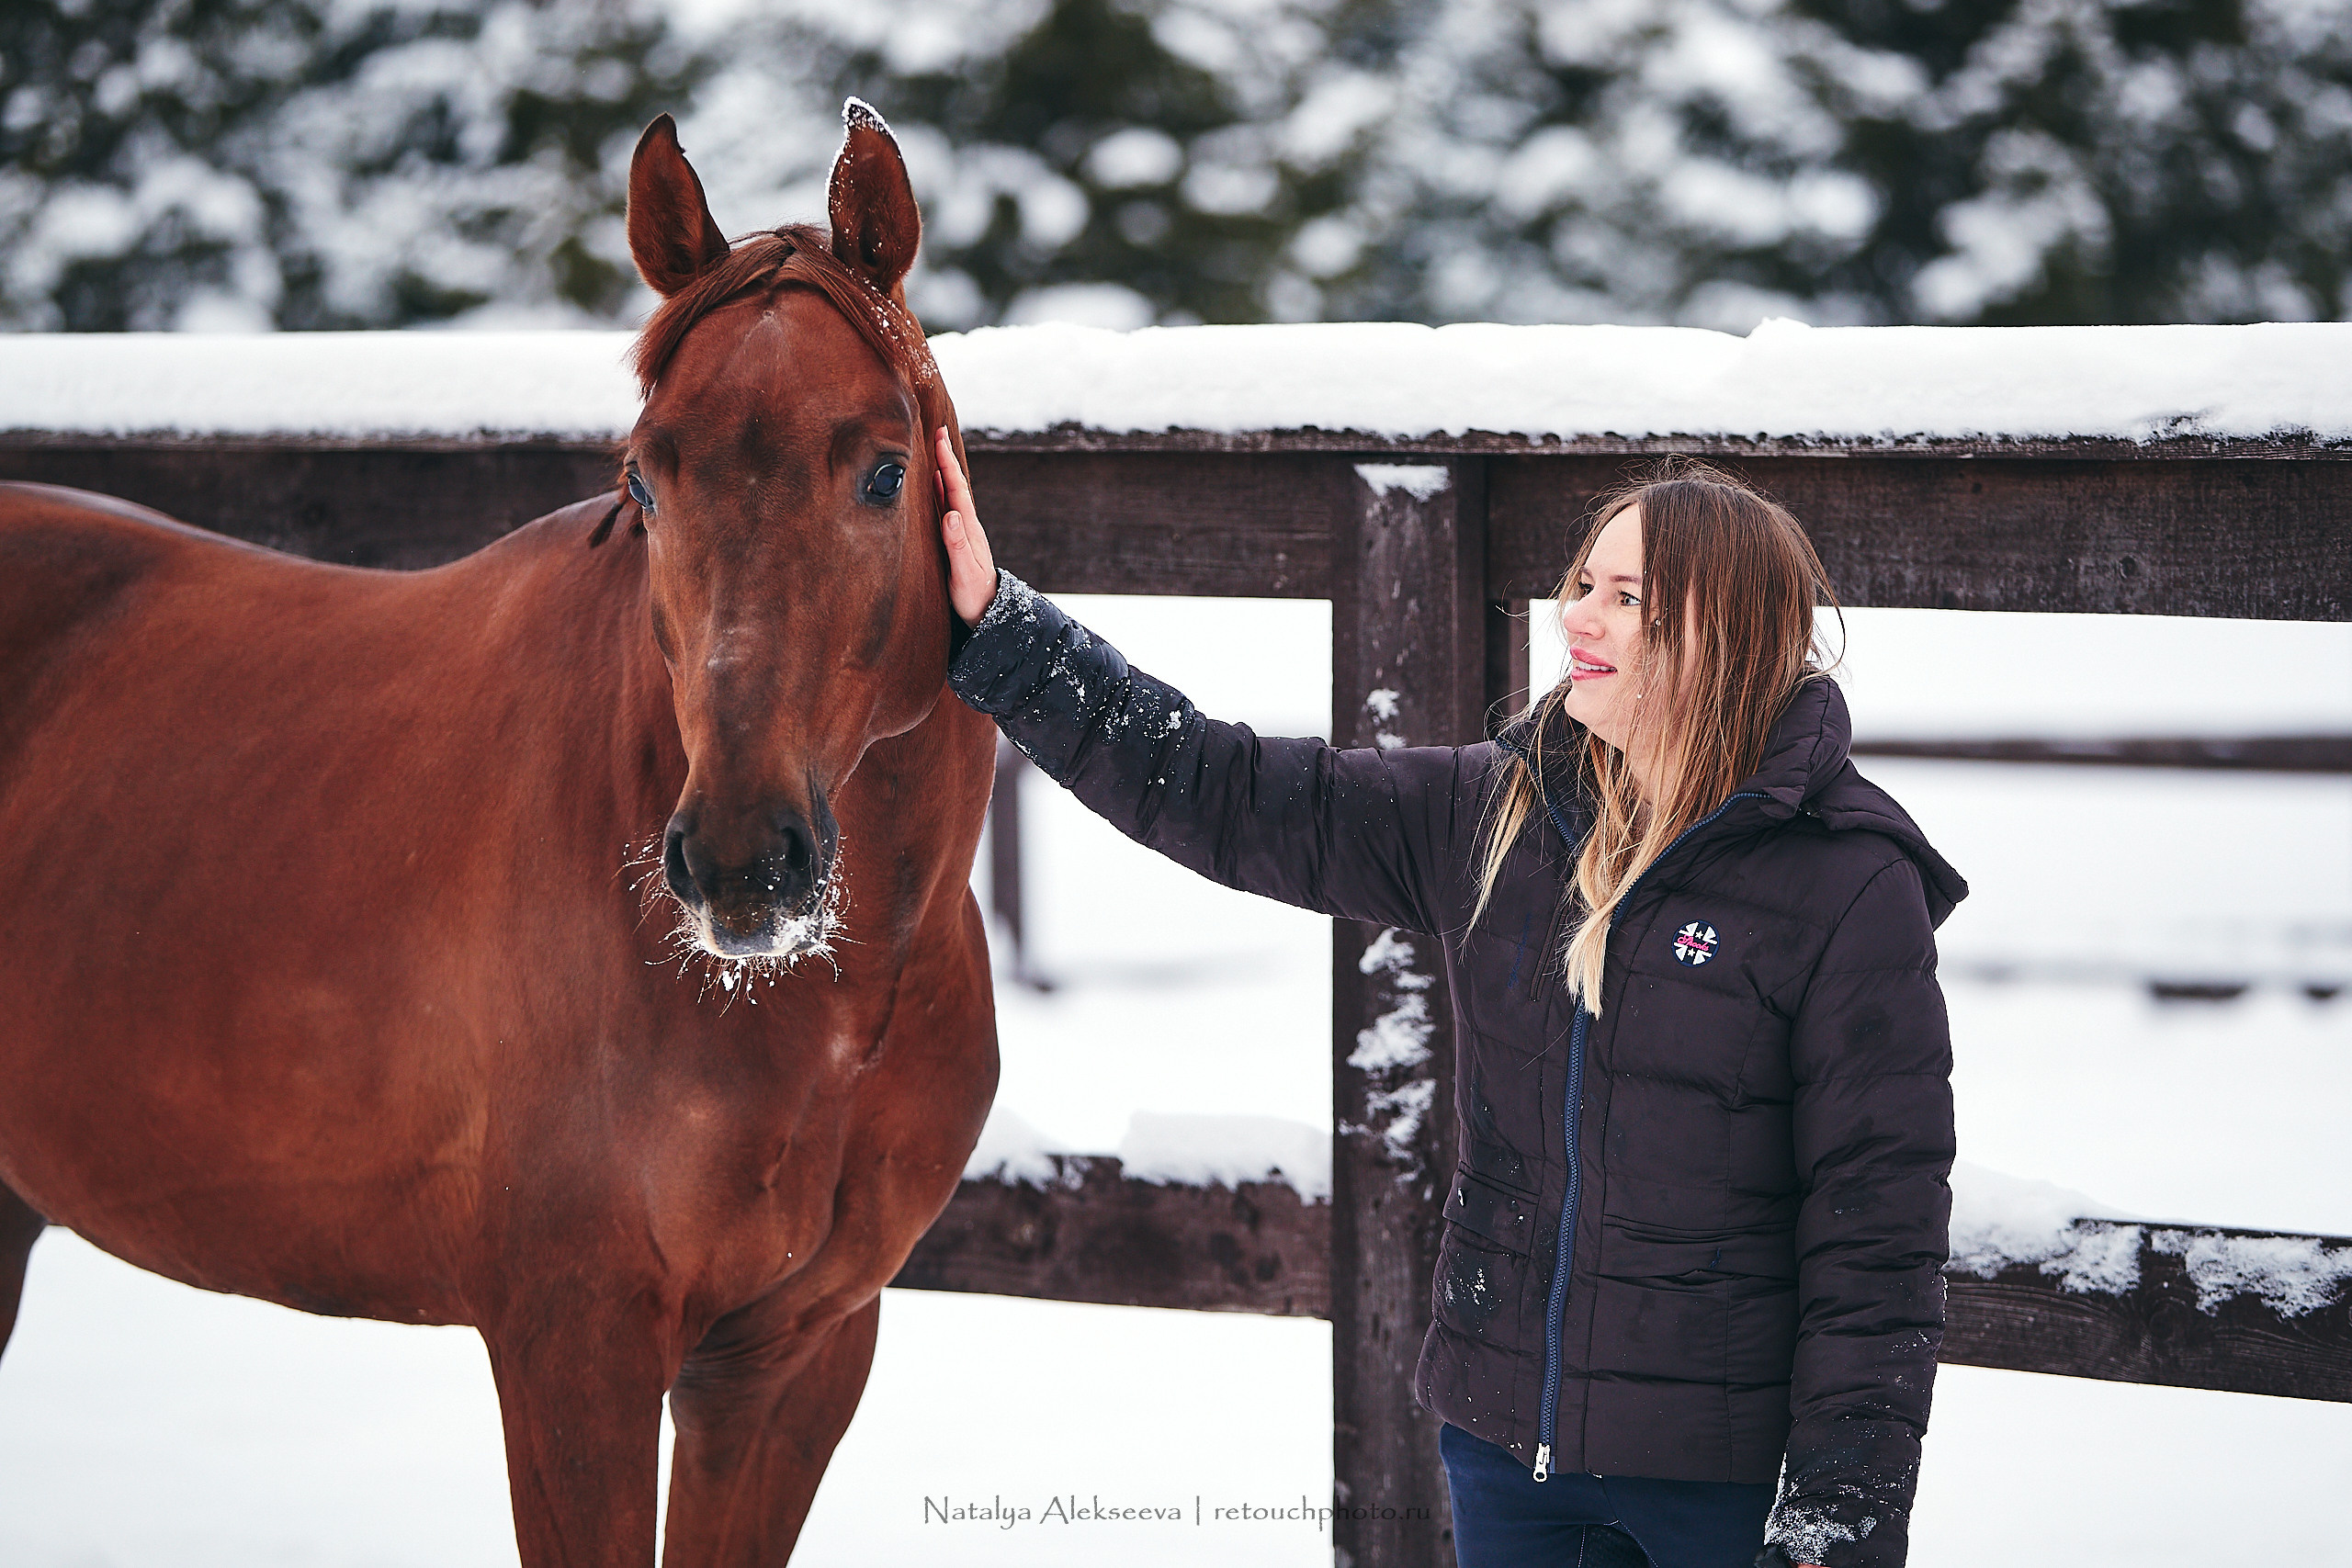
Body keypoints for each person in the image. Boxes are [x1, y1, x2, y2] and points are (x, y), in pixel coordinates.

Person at [931, 427, 1964, 1568]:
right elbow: (1228, 794)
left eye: (1625, 598)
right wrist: (1007, 633)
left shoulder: (1846, 883)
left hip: (1718, 1485)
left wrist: (1836, 1518)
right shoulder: (1500, 815)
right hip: (1503, 1456)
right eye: (1582, 584)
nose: (1577, 618)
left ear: (1722, 630)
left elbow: (1878, 1228)